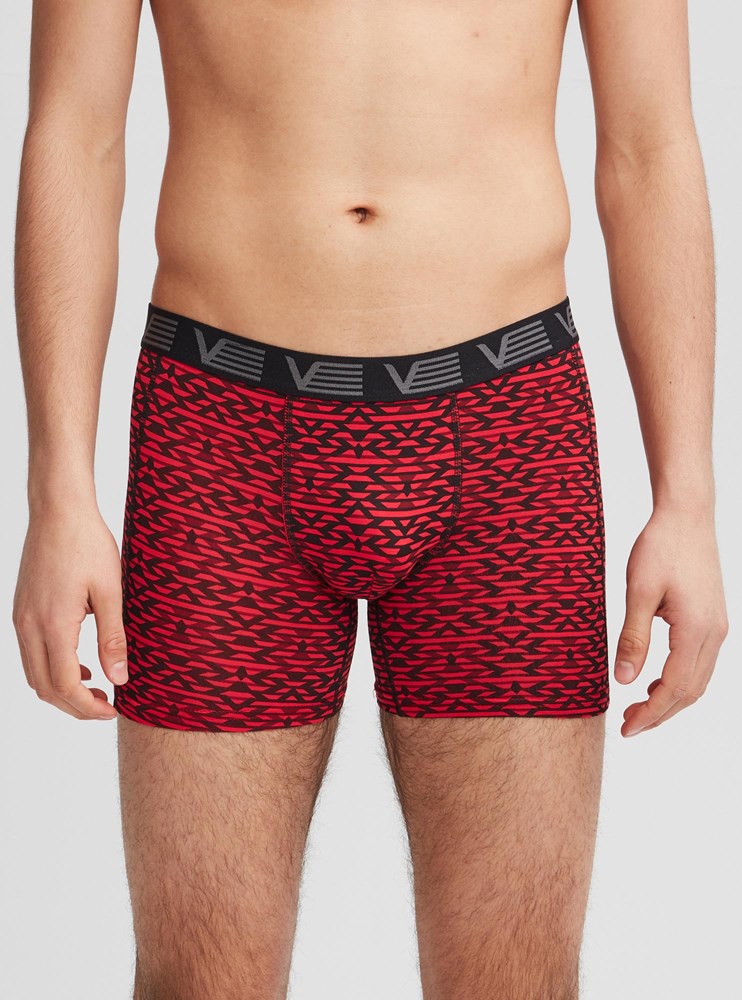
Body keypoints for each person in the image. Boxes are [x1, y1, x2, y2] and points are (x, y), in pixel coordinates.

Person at [11, 1, 728, 997]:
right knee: (195, 982)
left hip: (508, 434)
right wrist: (57, 491)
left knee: (516, 982)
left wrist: (686, 498)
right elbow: (74, 134)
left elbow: (650, 146)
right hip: (218, 436)